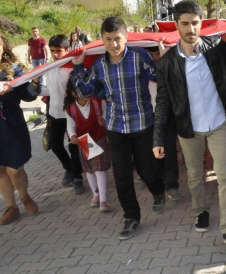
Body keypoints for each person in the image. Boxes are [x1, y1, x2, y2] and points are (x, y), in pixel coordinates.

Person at [153, 0, 226, 247]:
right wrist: (158, 139)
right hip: (188, 129)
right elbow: (162, 103)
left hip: (219, 123)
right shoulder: (167, 63)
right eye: (185, 24)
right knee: (194, 175)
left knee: (224, 176)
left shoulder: (215, 46)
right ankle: (200, 211)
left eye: (195, 23)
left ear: (201, 22)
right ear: (176, 26)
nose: (190, 29)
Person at [70, 17, 166, 241]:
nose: (113, 44)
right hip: (115, 127)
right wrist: (77, 65)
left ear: (126, 37)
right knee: (122, 176)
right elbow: (84, 89)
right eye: (108, 39)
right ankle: (131, 217)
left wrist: (163, 59)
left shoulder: (139, 56)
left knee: (146, 170)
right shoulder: (98, 66)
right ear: (102, 40)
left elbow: (159, 76)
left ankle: (158, 191)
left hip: (142, 124)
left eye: (118, 39)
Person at [0, 35, 41, 225]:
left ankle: (24, 196)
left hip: (12, 125)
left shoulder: (15, 69)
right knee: (0, 170)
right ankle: (12, 207)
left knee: (15, 169)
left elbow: (28, 96)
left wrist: (34, 82)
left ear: (3, 47)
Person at [41, 35, 84, 194]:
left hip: (72, 114)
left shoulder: (73, 68)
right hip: (55, 114)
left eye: (59, 51)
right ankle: (69, 168)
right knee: (56, 146)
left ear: (67, 50)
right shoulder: (49, 68)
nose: (55, 54)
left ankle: (78, 178)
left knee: (74, 147)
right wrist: (47, 115)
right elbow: (50, 92)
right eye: (52, 51)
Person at [63, 80, 112, 213]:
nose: (88, 93)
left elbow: (107, 112)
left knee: (98, 168)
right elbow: (70, 125)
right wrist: (72, 136)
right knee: (90, 170)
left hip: (99, 138)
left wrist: (104, 119)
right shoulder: (70, 109)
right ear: (74, 94)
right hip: (84, 141)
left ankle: (103, 199)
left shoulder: (99, 102)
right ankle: (96, 195)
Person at [144, 46, 181, 203]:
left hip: (167, 113)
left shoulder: (170, 65)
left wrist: (165, 60)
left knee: (169, 150)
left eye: (157, 53)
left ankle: (172, 186)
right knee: (153, 151)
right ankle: (160, 184)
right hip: (147, 115)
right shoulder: (142, 68)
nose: (154, 57)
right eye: (151, 54)